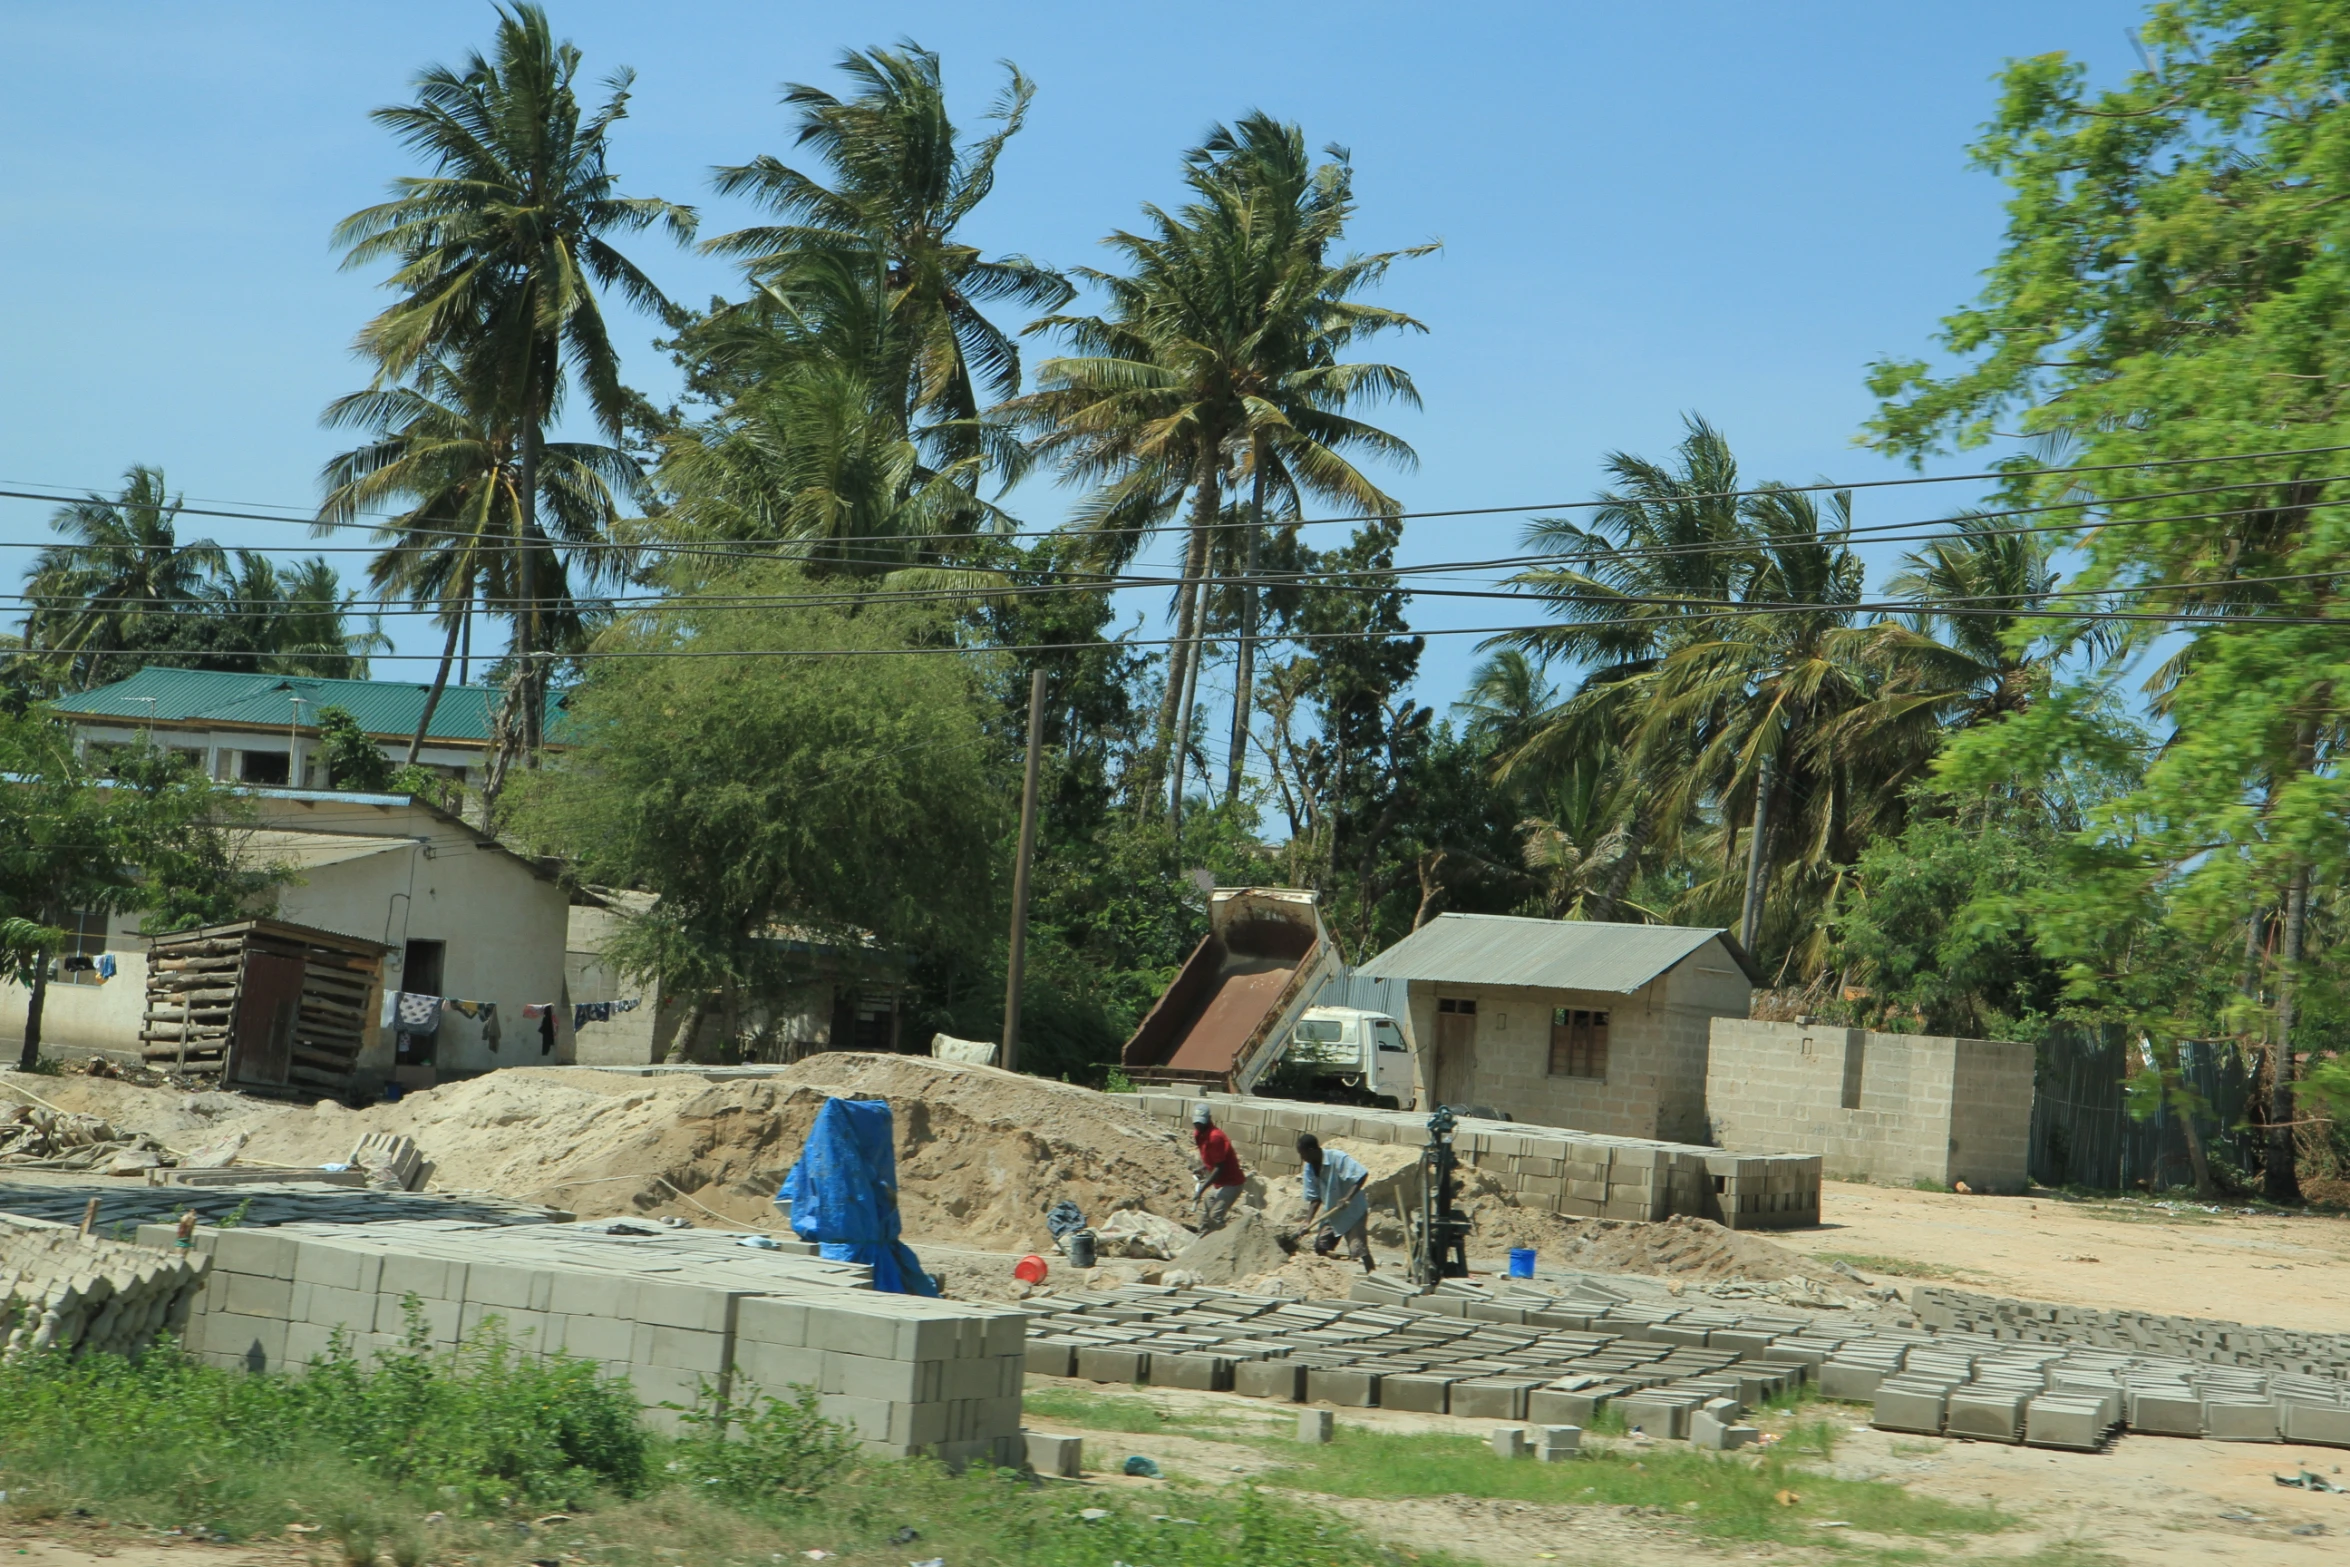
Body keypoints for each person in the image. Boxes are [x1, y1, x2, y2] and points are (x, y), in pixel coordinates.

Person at [1297, 1133, 1374, 1272]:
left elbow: (1362, 1175)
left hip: (1353, 1212)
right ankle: (1325, 1278)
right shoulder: (1309, 1168)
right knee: (1321, 1245)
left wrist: (1347, 1198)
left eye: (1303, 1154)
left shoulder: (1337, 1158)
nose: (1302, 1158)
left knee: (1359, 1249)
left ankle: (1374, 1277)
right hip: (1332, 1212)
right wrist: (1307, 1221)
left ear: (1312, 1150)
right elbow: (1315, 1198)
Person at [1190, 1103, 1246, 1231]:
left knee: (1215, 1217)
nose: (1199, 1126)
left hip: (1231, 1183)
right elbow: (1213, 1159)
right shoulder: (1199, 1135)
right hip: (1220, 1183)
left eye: (1202, 1123)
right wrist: (1203, 1168)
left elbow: (1220, 1167)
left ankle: (1226, 1242)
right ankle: (1203, 1239)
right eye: (1196, 1123)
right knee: (1206, 1214)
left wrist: (1202, 1189)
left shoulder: (1215, 1137)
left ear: (1209, 1119)